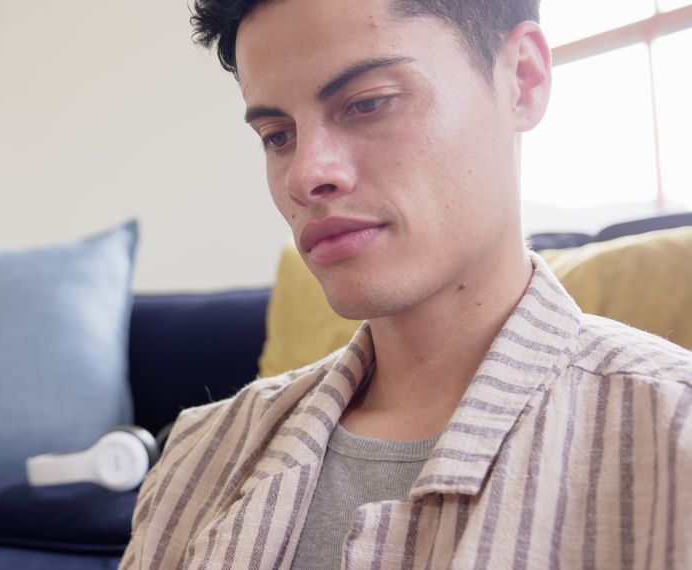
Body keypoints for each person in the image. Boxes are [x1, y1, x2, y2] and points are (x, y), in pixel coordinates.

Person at [121, 0, 692, 568]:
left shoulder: (670, 434)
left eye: (368, 103)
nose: (305, 175)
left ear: (522, 79)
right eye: (277, 135)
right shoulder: (199, 456)